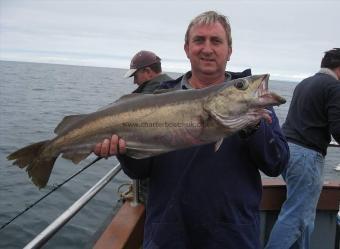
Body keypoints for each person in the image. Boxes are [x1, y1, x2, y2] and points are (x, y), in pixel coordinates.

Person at [95, 11, 289, 249]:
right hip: (168, 236)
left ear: (229, 50)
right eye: (199, 40)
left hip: (232, 238)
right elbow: (140, 170)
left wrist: (253, 127)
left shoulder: (253, 101)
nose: (207, 48)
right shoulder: (158, 98)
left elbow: (276, 163)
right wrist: (123, 150)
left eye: (216, 41)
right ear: (187, 48)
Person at [265, 48, 340, 249]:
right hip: (306, 156)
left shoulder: (305, 83)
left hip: (286, 151)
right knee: (296, 218)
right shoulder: (334, 87)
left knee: (304, 219)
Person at [124, 50, 172, 203]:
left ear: (148, 71)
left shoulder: (146, 98)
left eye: (135, 76)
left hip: (154, 189)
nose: (134, 82)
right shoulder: (176, 88)